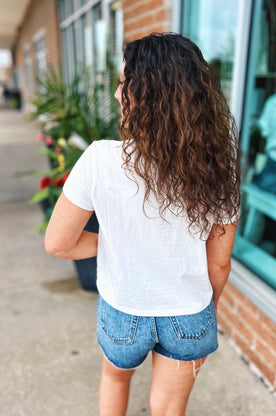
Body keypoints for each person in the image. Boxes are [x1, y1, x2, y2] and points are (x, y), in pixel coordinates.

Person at [45, 33, 240, 416]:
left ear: (145, 94)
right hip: (188, 313)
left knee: (115, 378)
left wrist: (120, 243)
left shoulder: (99, 159)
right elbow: (218, 263)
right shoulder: (221, 168)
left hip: (123, 311)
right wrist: (205, 308)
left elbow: (58, 243)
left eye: (123, 84)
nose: (118, 95)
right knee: (168, 407)